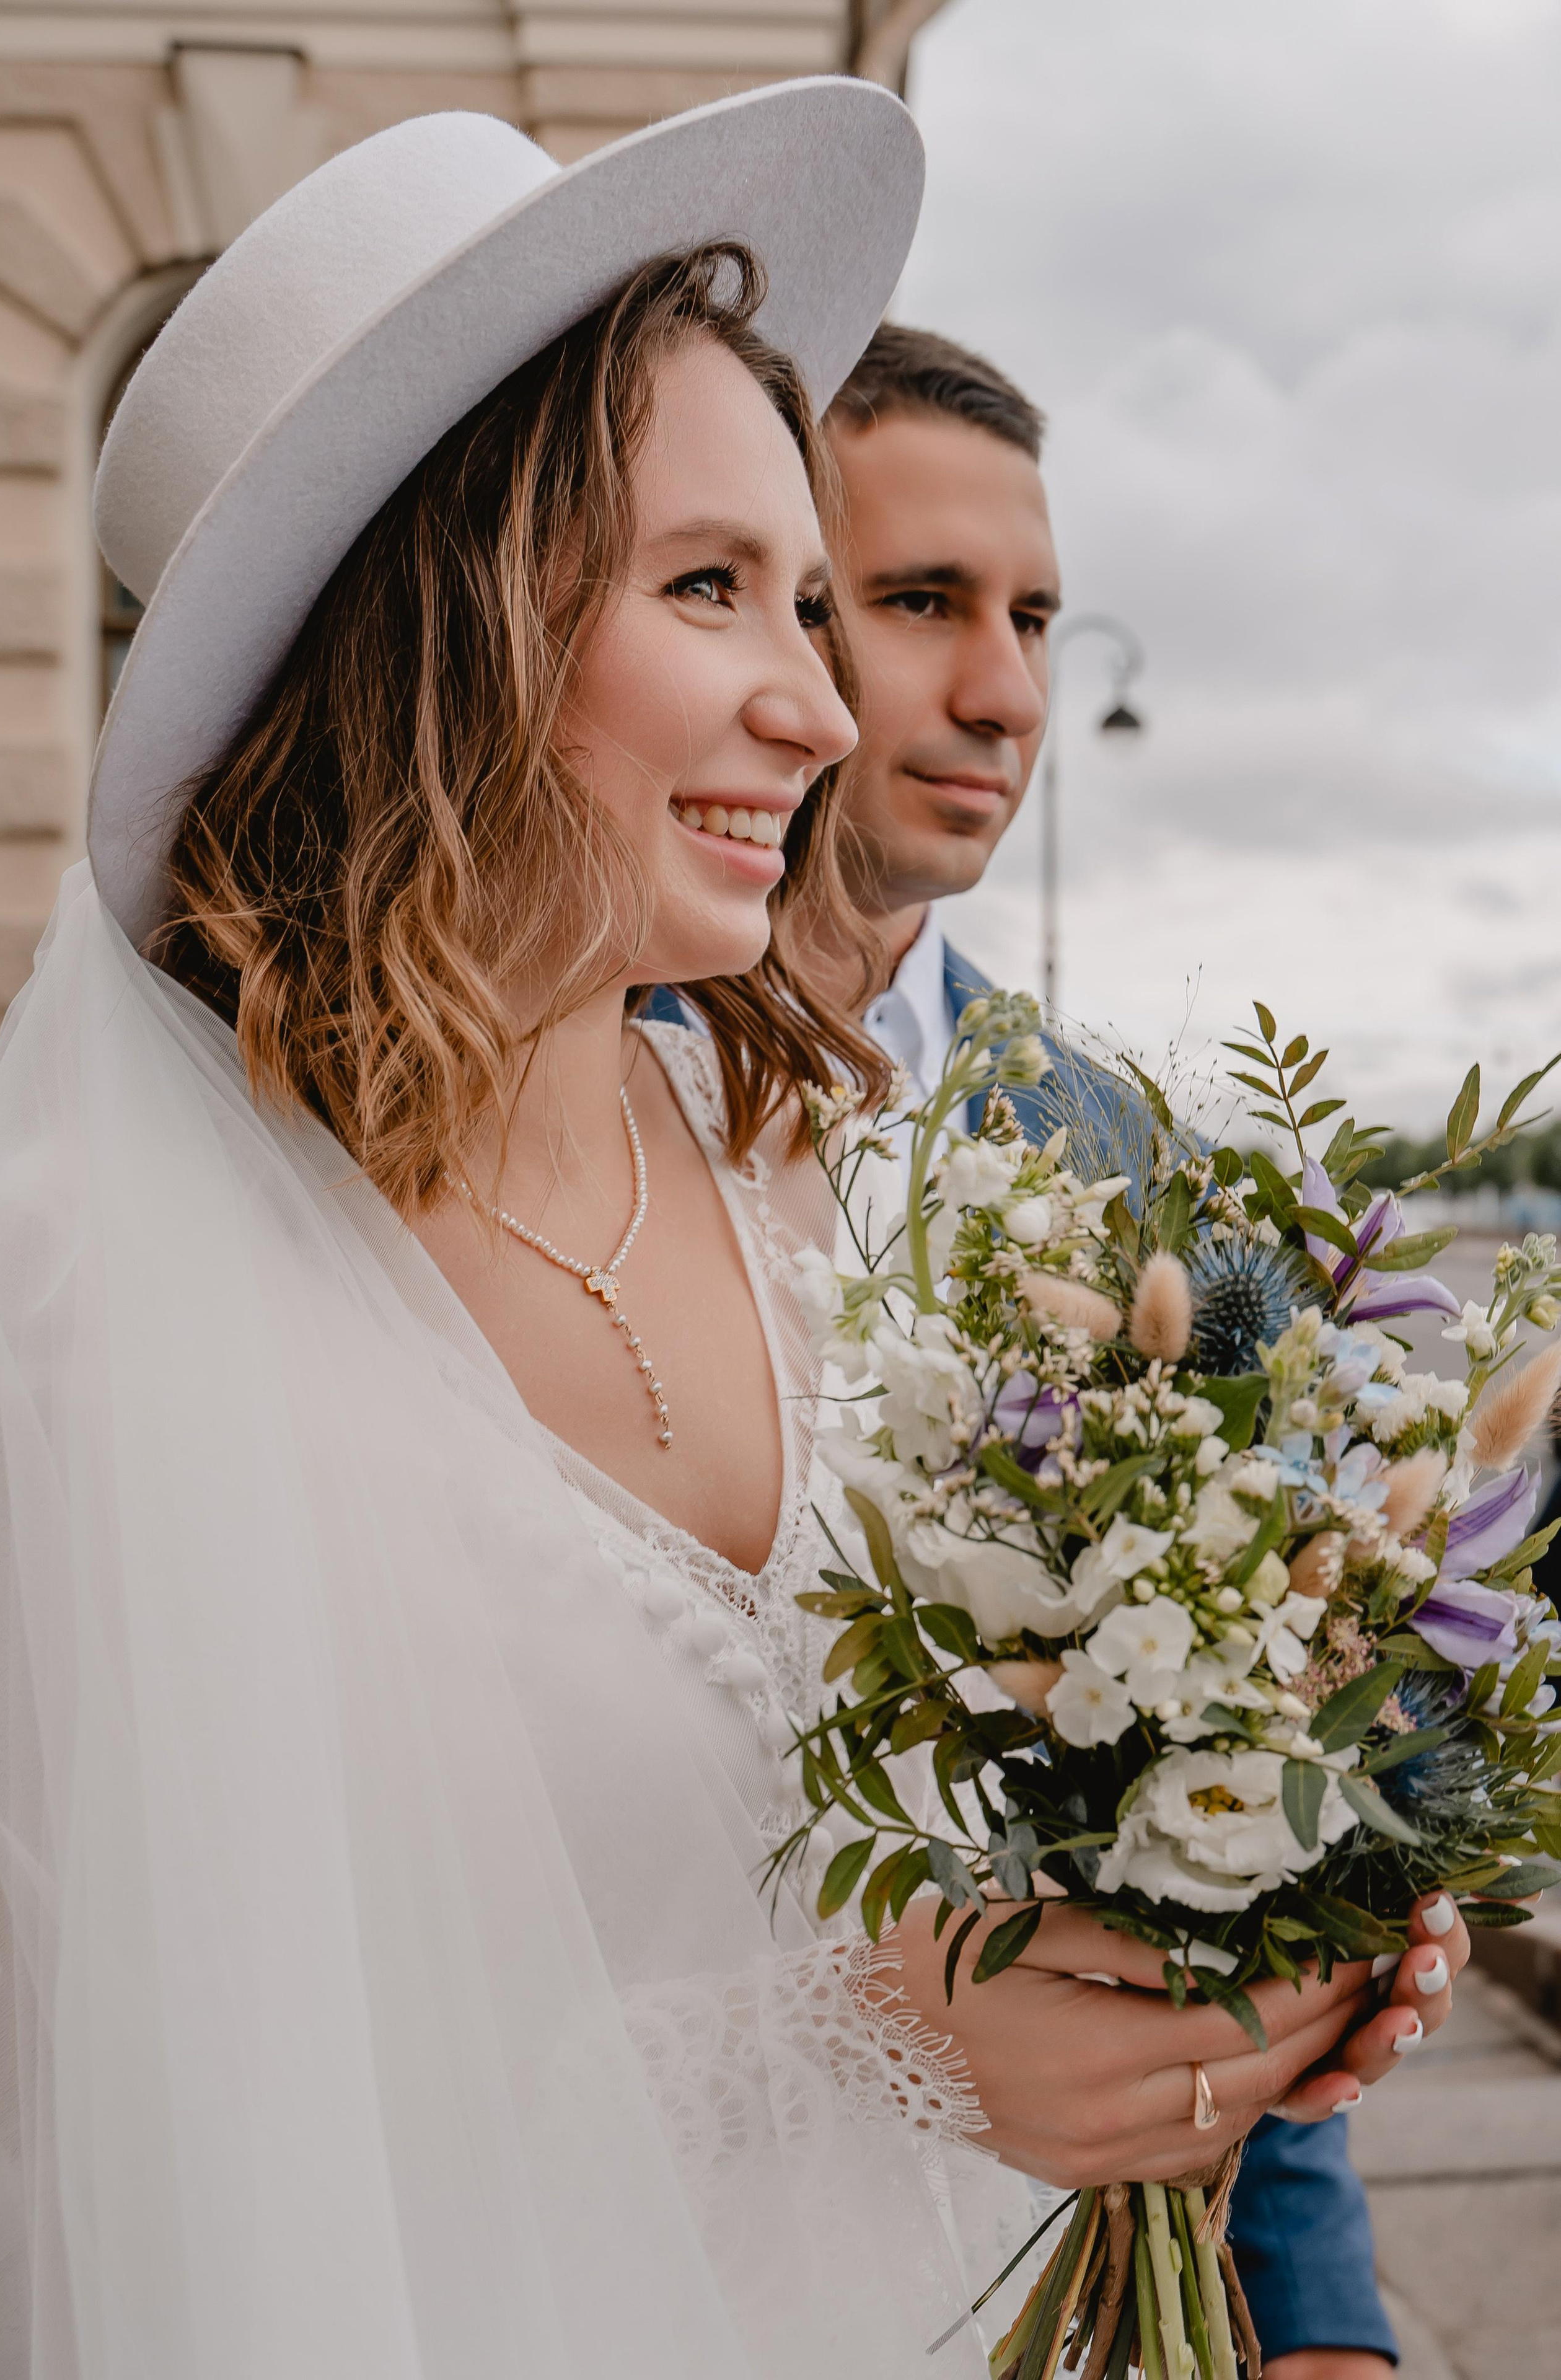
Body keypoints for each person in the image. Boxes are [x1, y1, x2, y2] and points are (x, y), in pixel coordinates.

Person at [0, 88, 1462, 2379]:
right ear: (435, 629)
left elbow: (979, 1842)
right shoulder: (86, 1318)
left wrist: (1253, 1919)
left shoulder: (829, 1175)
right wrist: (853, 2050)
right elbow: (118, 2173)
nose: (824, 698)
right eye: (706, 587)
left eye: (802, 589)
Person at [800, 319, 1409, 2378]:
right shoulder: (534, 1121)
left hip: (1083, 2265)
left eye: (1041, 618)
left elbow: (1224, 1781)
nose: (1010, 694)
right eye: (920, 606)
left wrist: (1315, 2309)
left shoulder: (1108, 1141)